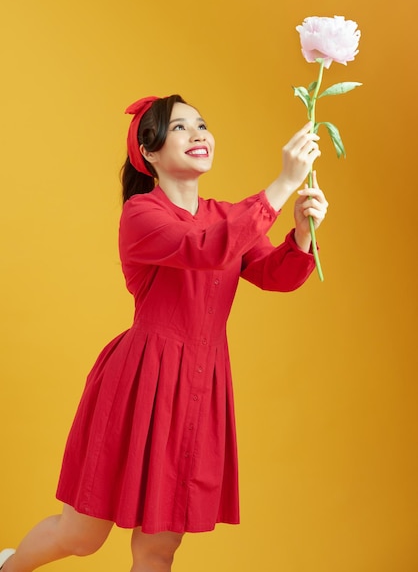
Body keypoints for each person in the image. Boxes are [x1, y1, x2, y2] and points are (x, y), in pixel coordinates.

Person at [0, 94, 328, 572]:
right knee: (81, 534)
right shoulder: (140, 214)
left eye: (202, 124)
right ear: (148, 152)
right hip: (139, 384)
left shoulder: (228, 217)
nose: (198, 134)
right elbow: (203, 249)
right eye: (179, 128)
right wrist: (281, 185)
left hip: (198, 388)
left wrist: (299, 234)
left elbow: (275, 275)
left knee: (160, 547)